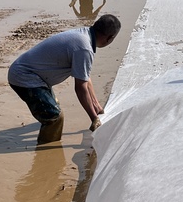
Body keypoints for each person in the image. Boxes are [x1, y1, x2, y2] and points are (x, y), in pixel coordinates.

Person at [8, 14, 121, 144]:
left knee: (53, 106)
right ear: (110, 38)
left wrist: (97, 106)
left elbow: (85, 77)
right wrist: (94, 118)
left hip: (33, 75)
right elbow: (80, 87)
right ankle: (45, 153)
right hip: (24, 77)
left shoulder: (84, 35)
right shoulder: (84, 48)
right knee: (54, 117)